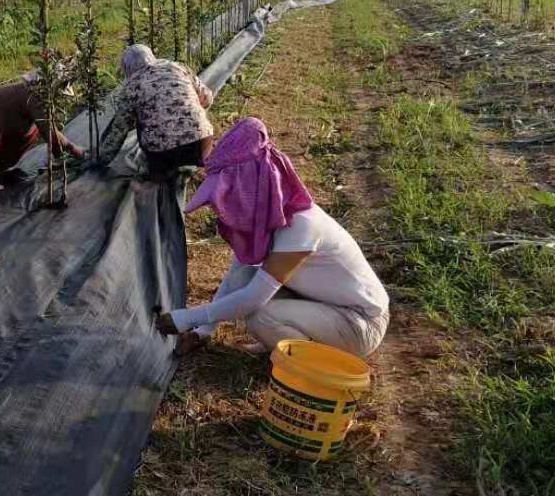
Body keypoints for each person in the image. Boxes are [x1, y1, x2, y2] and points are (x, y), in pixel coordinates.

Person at [156, 117, 389, 358]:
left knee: (261, 318)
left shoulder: (301, 227)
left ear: (249, 190)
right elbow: (238, 277)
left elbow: (253, 298)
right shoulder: (263, 219)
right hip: (323, 303)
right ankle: (284, 342)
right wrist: (203, 330)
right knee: (246, 277)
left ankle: (310, 362)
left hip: (360, 323)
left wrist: (185, 318)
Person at [0, 72, 84, 185]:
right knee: (32, 128)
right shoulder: (34, 97)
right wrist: (73, 149)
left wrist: (58, 155)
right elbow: (49, 132)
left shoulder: (24, 90)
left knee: (30, 127)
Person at [96, 45, 215, 175]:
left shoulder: (129, 88)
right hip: (202, 145)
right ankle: (193, 160)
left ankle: (160, 169)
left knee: (141, 121)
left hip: (163, 155)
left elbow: (119, 131)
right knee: (196, 109)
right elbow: (207, 98)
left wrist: (101, 161)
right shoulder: (178, 67)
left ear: (127, 68)